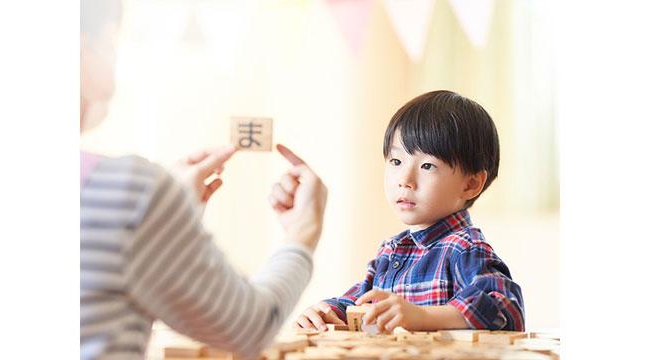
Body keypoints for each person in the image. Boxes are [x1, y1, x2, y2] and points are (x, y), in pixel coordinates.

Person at [80, 1, 327, 359]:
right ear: (82, 49)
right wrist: (302, 235)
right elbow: (249, 327)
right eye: (109, 42)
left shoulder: (131, 195)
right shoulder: (127, 191)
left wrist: (163, 214)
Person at [295, 90, 525, 334]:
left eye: (428, 166)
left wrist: (422, 316)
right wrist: (328, 312)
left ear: (470, 184)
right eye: (396, 161)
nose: (405, 180)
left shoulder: (463, 248)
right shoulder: (391, 251)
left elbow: (506, 307)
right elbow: (360, 302)